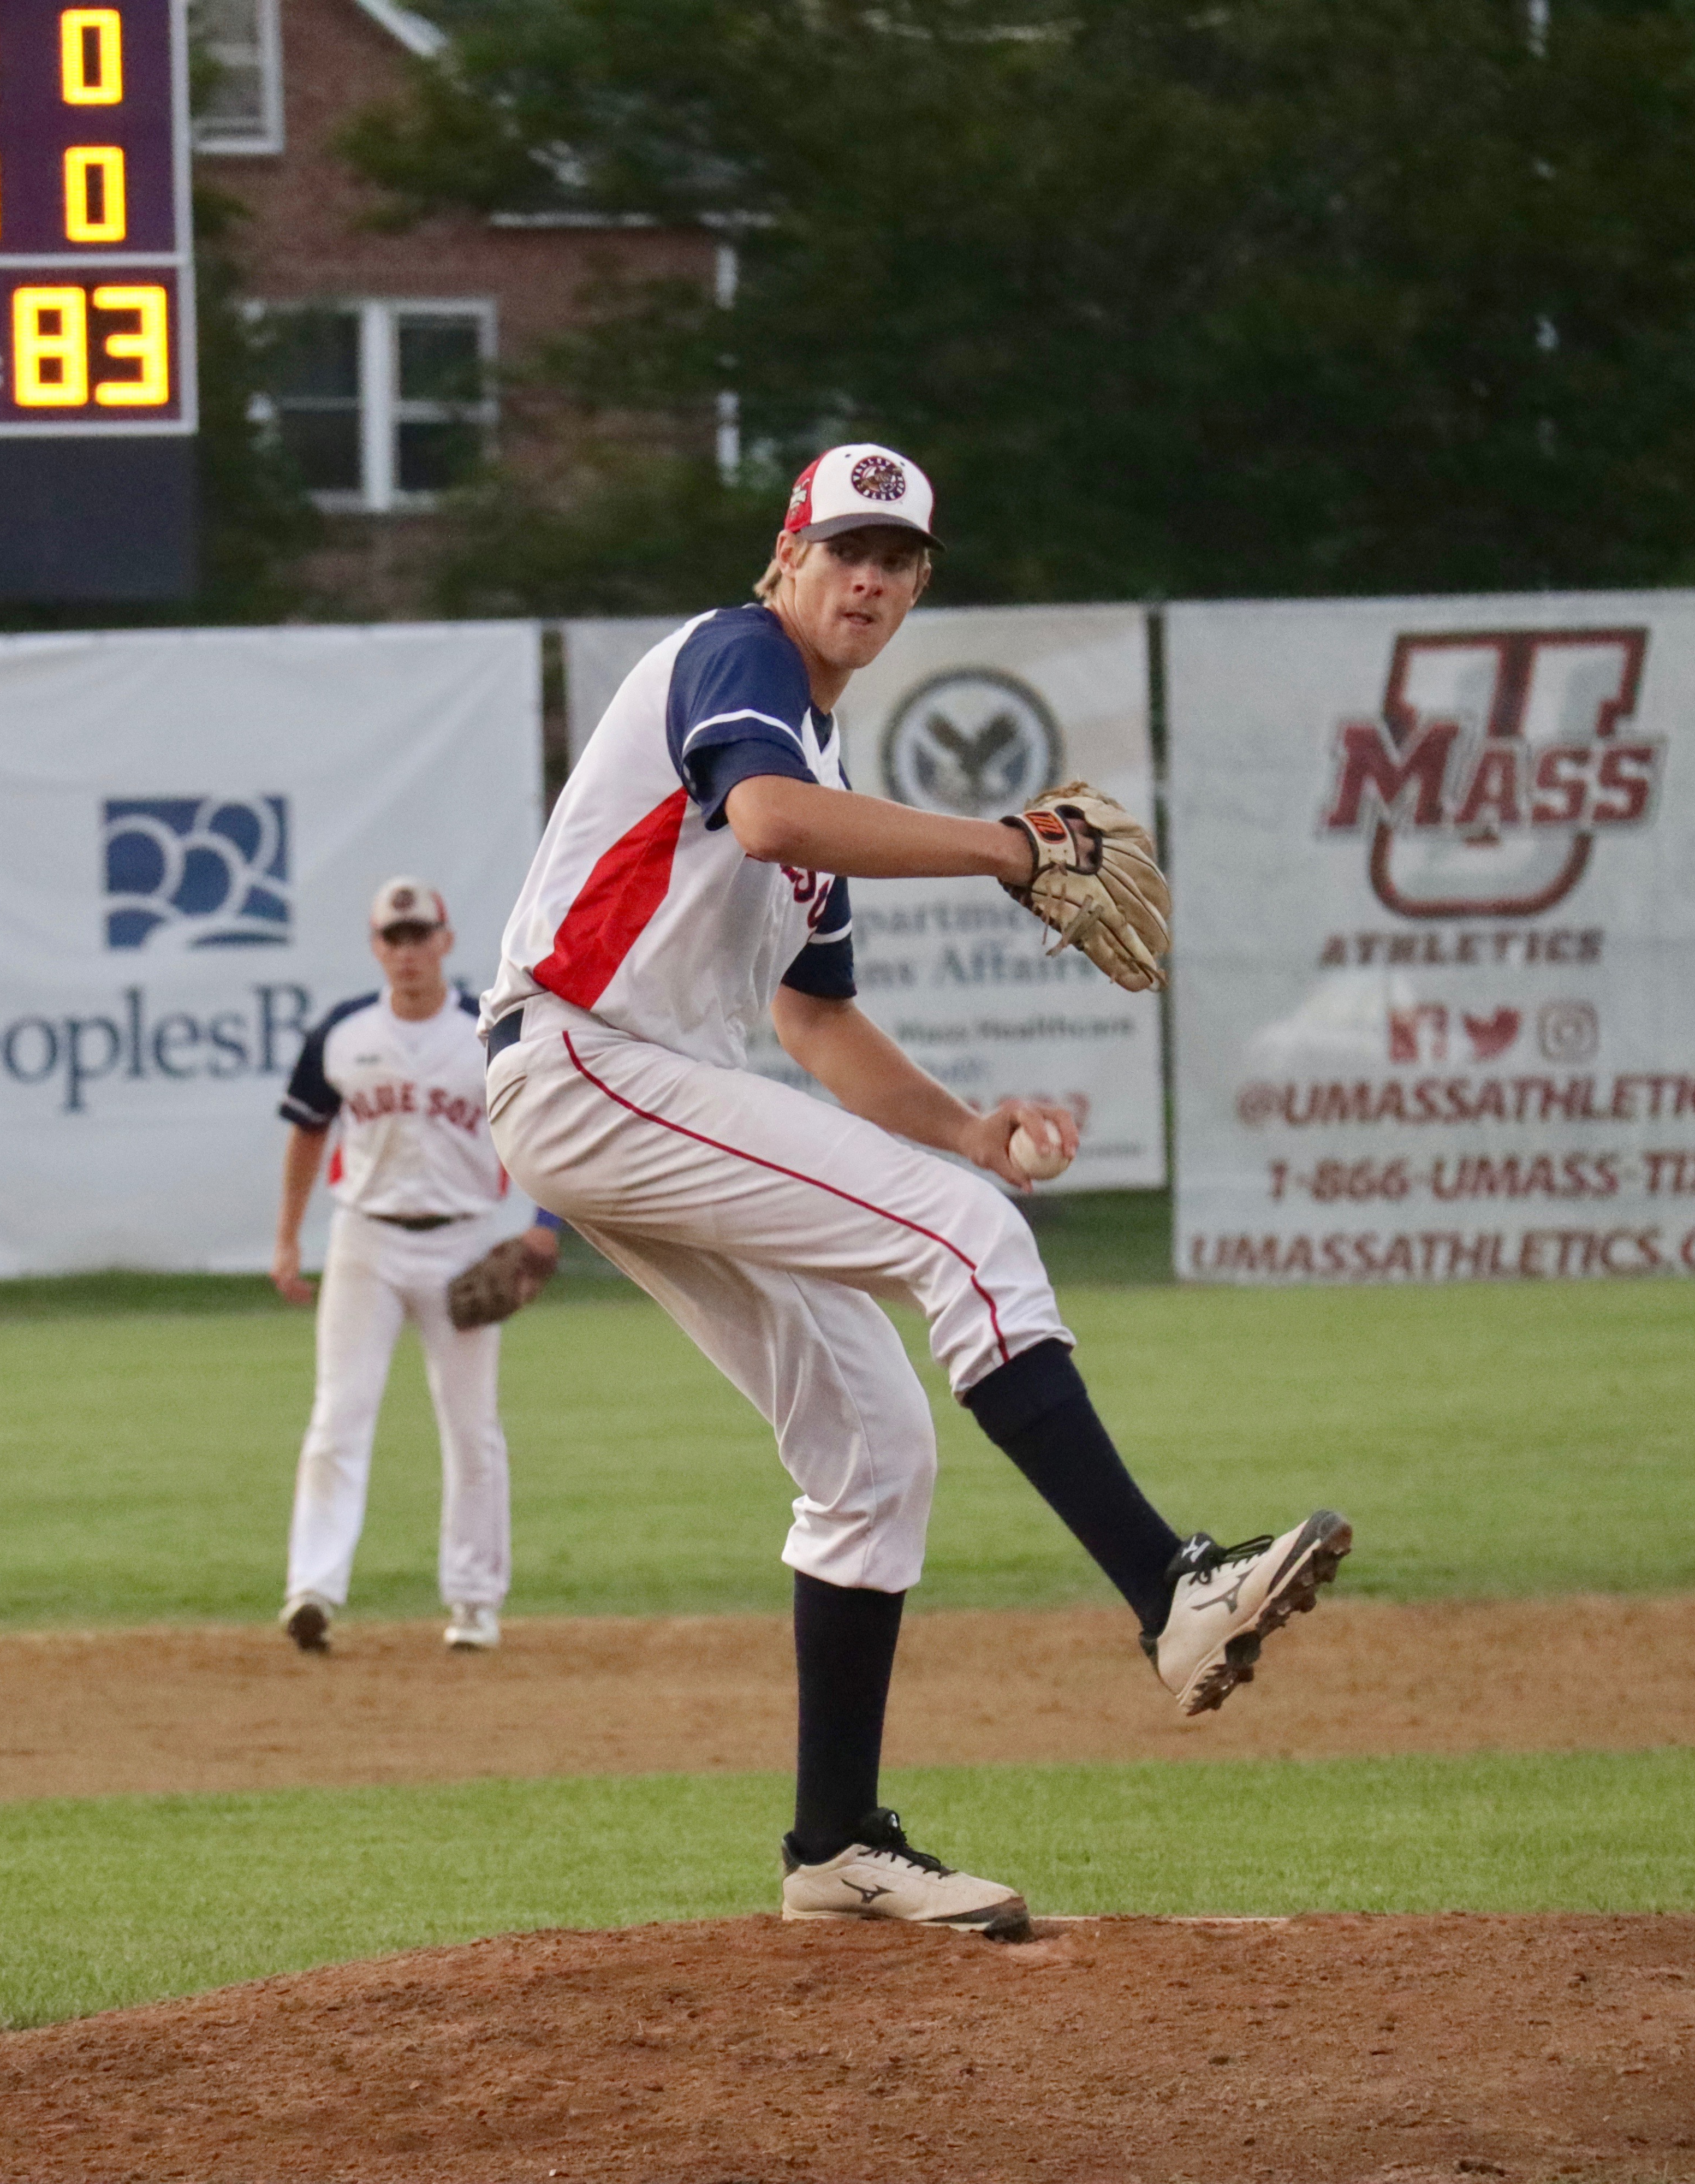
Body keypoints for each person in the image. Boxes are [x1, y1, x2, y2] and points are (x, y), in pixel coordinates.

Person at [479, 444, 1349, 1938]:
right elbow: (762, 820)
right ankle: (1169, 1586)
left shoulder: (817, 780)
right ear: (786, 558)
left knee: (877, 1452)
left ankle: (835, 1848)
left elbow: (817, 1026)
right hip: (584, 1059)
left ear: (920, 585)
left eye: (899, 559)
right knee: (971, 1249)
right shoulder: (733, 655)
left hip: (637, 1097)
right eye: (845, 551)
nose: (869, 579)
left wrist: (965, 1128)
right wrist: (1009, 846)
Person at [273, 877, 561, 1655]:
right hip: (365, 1241)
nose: (406, 951)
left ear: (446, 939)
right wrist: (289, 1239)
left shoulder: (486, 1030)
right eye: (391, 938)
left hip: (464, 1240)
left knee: (472, 1428)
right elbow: (307, 1133)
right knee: (339, 1415)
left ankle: (474, 1602)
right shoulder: (342, 1033)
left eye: (419, 934)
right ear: (376, 948)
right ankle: (313, 1591)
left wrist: (544, 1224)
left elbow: (543, 1125)